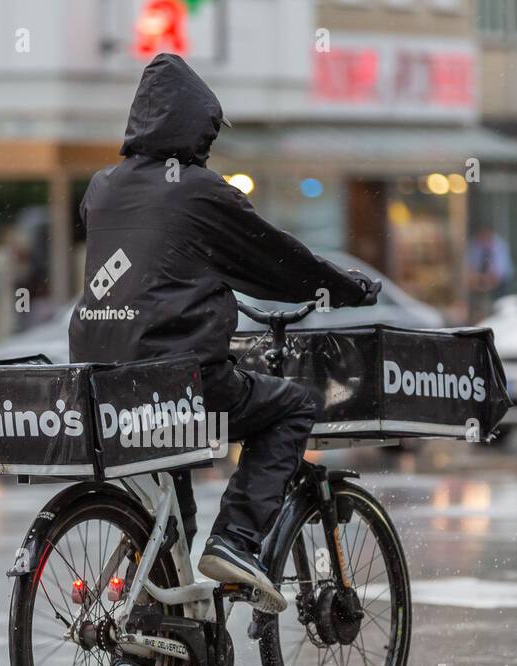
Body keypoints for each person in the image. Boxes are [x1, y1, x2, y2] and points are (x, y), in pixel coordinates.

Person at [69, 53, 378, 615]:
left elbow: (150, 266)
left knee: (167, 518)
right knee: (290, 408)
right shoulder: (198, 191)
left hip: (103, 382)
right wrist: (345, 287)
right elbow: (276, 259)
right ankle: (236, 540)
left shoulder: (101, 188)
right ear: (194, 128)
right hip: (178, 380)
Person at [466, 221, 514, 323]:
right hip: (481, 281)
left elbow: (500, 272)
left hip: (501, 283)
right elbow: (471, 266)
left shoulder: (499, 245)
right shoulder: (475, 245)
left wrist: (487, 282)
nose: (483, 239)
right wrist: (477, 280)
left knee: (498, 305)